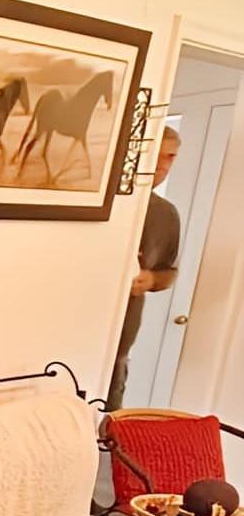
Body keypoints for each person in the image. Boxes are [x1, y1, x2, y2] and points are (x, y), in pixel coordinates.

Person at [108, 126, 182, 410]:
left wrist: (150, 279)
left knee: (108, 416)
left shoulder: (166, 214)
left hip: (121, 343)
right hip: (77, 324)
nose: (164, 166)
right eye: (158, 156)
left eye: (171, 157)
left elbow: (169, 272)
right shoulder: (108, 202)